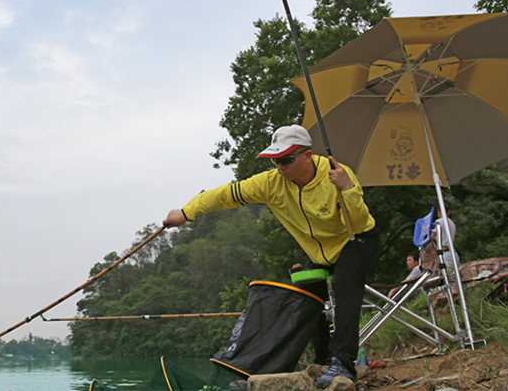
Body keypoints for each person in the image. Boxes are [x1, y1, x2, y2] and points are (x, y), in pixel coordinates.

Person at [163, 125, 380, 388]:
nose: (280, 167)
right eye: (275, 160)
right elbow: (225, 195)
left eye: (287, 159)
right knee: (305, 297)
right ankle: (323, 359)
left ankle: (343, 365)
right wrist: (186, 212)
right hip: (320, 253)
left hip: (357, 240)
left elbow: (357, 224)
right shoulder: (270, 184)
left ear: (308, 156)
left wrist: (347, 190)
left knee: (345, 284)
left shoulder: (338, 176)